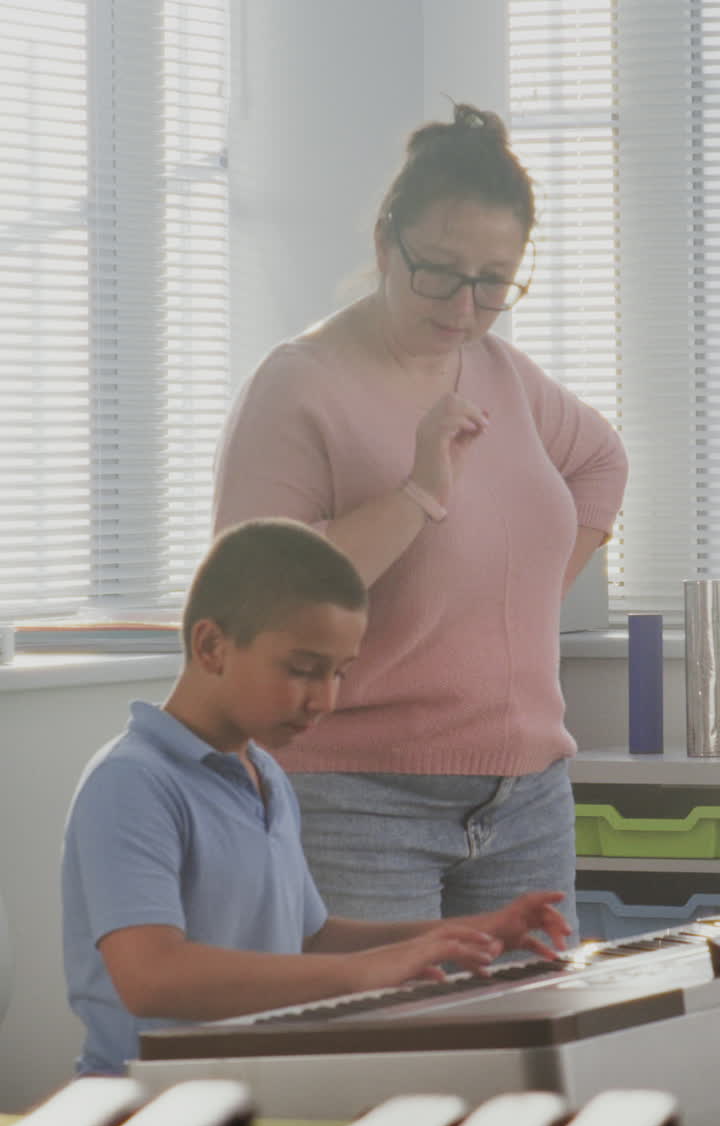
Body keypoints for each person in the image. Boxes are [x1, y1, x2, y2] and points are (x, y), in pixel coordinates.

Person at [211, 104, 628, 941]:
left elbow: (602, 465)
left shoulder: (504, 375)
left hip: (528, 793)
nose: (465, 307)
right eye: (438, 271)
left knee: (533, 1052)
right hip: (359, 794)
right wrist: (415, 496)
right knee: (392, 1055)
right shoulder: (300, 385)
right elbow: (255, 601)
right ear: (384, 243)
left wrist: (517, 610)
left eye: (493, 281)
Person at [61, 518, 571, 1077]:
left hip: (252, 1090)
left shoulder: (267, 775)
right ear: (211, 646)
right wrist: (365, 973)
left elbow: (311, 939)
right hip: (144, 1102)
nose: (325, 700)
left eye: (340, 674)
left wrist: (459, 935)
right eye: (303, 670)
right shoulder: (132, 782)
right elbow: (152, 978)